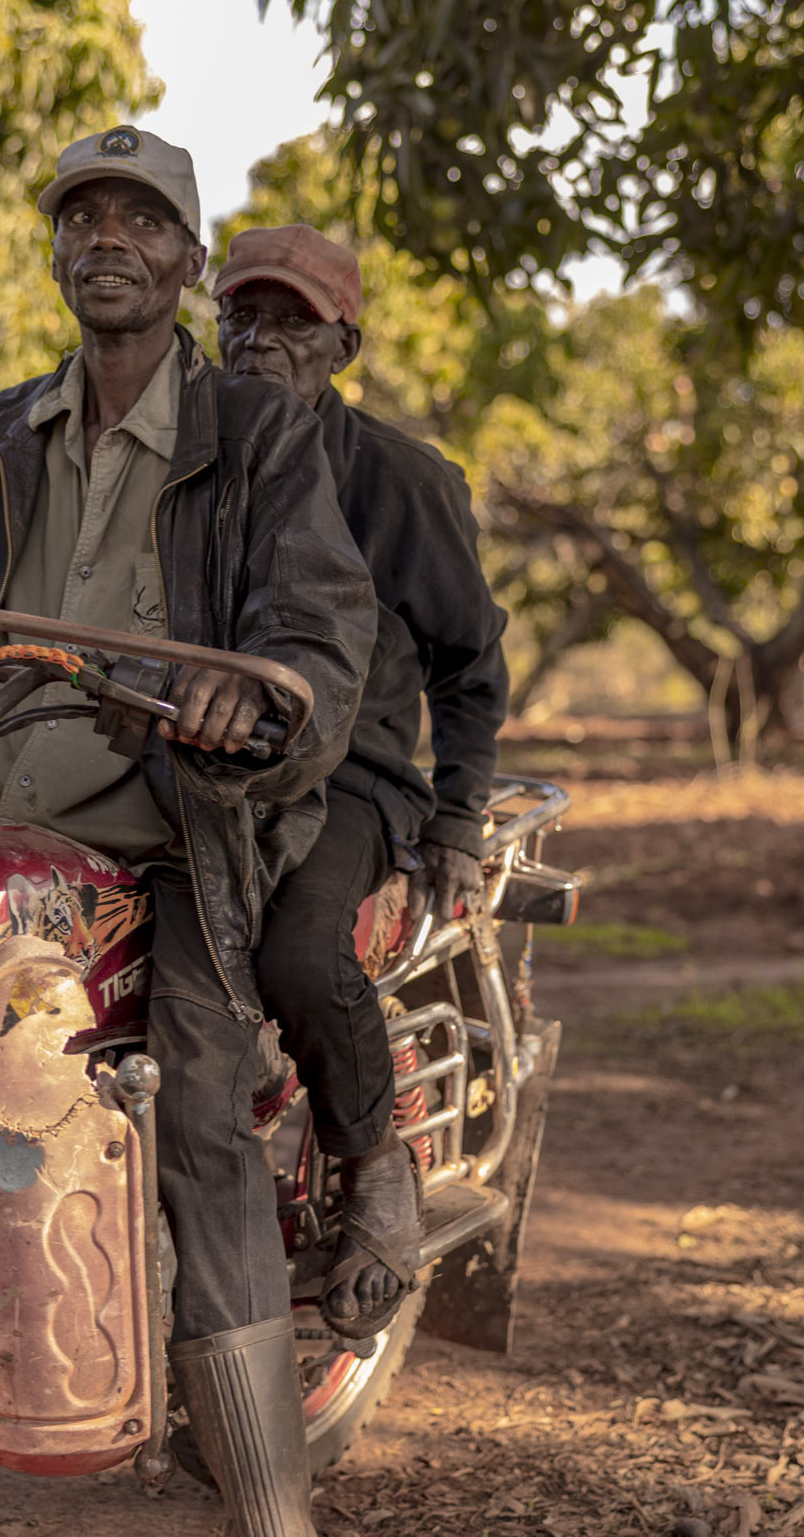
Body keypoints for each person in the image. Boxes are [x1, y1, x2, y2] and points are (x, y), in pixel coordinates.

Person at [0, 130, 374, 1537]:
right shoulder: (2, 431)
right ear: (58, 251)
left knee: (202, 1113)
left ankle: (268, 1498)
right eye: (83, 215)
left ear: (188, 264)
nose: (109, 238)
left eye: (142, 220)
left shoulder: (258, 434)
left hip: (175, 829)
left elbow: (322, 636)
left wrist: (247, 691)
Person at [212, 225, 510, 1341]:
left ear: (343, 341)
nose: (259, 340)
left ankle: (373, 1160)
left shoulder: (399, 479)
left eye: (291, 320)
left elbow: (470, 660)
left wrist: (458, 816)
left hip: (352, 780)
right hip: (203, 771)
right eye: (241, 313)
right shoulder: (177, 454)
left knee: (296, 951)